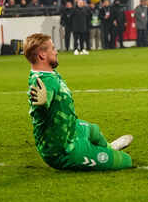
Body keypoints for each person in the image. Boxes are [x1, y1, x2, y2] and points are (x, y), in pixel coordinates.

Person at [24, 33, 133, 171]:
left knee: (94, 130)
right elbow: (41, 107)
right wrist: (41, 105)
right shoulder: (45, 81)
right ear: (42, 55)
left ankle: (108, 148)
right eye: (53, 48)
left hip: (71, 130)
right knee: (125, 160)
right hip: (64, 151)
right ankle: (106, 154)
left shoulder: (47, 73)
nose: (56, 52)